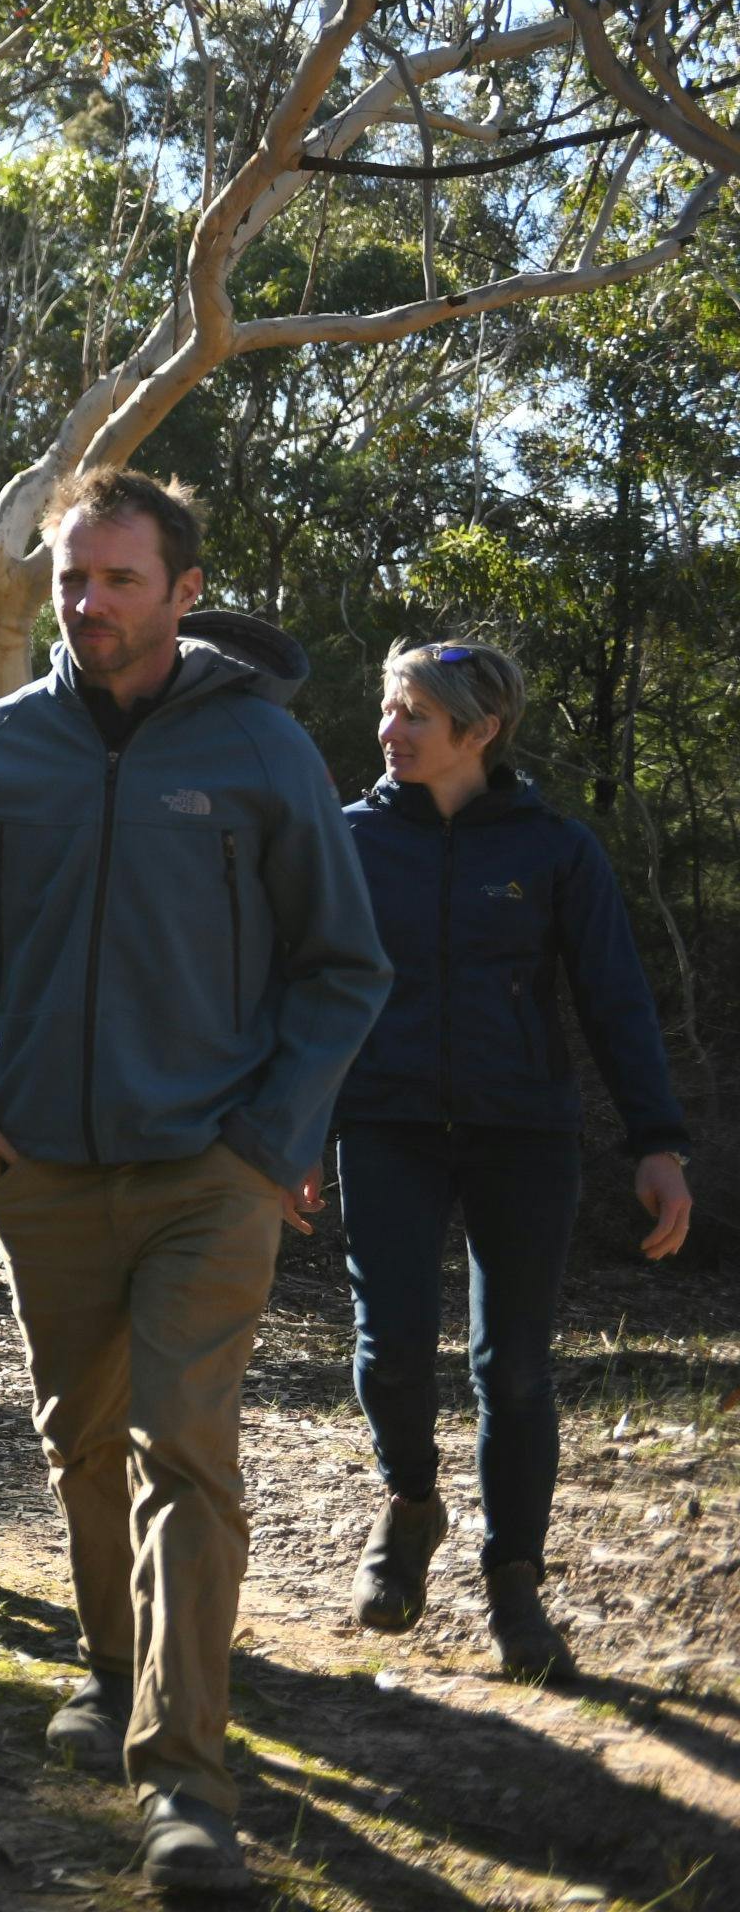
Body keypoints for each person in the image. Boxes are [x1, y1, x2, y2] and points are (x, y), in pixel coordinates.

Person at [0, 468, 390, 1899]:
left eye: (120, 579)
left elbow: (344, 965)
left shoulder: (262, 750)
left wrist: (273, 1140)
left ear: (184, 592)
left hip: (209, 1172)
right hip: (42, 1169)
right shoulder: (0, 752)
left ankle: (184, 1781)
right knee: (81, 1441)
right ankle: (110, 1662)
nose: (89, 603)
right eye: (71, 577)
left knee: (188, 1454)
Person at [335, 639, 696, 1683]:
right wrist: (288, 1128)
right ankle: (410, 1506)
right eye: (389, 709)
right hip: (386, 1122)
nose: (389, 732)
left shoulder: (555, 851)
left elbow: (616, 1002)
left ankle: (514, 1582)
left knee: (516, 1368)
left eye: (412, 715)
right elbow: (305, 991)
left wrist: (657, 1143)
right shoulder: (352, 841)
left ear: (479, 731)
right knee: (390, 1345)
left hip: (522, 1132)